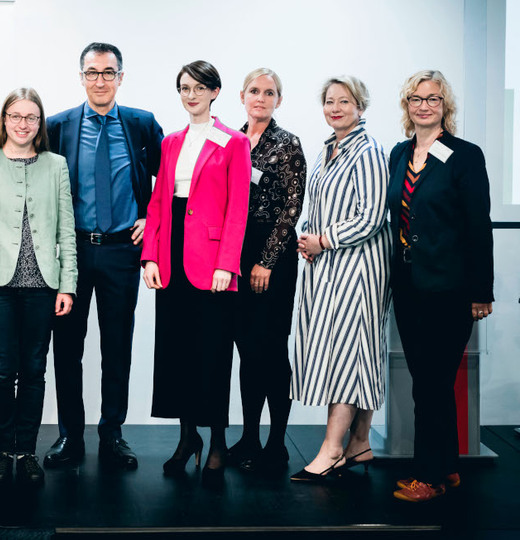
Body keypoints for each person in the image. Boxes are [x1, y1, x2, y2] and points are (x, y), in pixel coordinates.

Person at [46, 42, 163, 470]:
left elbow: (167, 181)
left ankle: (112, 433)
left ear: (120, 77)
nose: (100, 80)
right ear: (81, 78)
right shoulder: (57, 126)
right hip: (72, 252)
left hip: (121, 252)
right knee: (67, 349)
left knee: (118, 347)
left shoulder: (140, 124)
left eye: (108, 72)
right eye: (92, 73)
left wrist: (150, 218)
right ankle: (69, 437)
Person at [141, 60, 251, 487]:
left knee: (213, 355)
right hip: (170, 260)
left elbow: (237, 207)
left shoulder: (234, 142)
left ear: (215, 92)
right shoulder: (170, 142)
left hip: (212, 265)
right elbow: (157, 204)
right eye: (184, 88)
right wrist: (150, 256)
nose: (191, 95)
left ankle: (218, 442)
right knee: (178, 354)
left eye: (199, 88)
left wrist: (227, 263)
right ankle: (188, 440)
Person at [0, 88, 77, 485]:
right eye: (15, 116)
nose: (23, 124)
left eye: (31, 117)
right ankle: (3, 450)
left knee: (34, 371)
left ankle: (26, 450)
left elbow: (67, 230)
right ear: (4, 119)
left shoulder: (56, 165)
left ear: (40, 123)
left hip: (44, 284)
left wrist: (68, 285)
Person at [387, 71, 494, 502]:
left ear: (445, 106)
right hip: (408, 285)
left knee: (432, 382)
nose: (424, 106)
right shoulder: (399, 153)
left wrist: (481, 291)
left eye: (433, 99)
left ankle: (427, 477)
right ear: (407, 105)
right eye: (417, 98)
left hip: (448, 288)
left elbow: (478, 225)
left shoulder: (465, 155)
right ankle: (446, 466)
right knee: (426, 381)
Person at [290, 76, 391, 482]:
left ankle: (331, 450)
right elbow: (319, 204)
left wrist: (323, 240)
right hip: (329, 265)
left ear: (360, 107)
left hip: (359, 266)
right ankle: (360, 442)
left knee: (349, 350)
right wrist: (308, 239)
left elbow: (371, 216)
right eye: (329, 101)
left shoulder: (367, 151)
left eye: (344, 101)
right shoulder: (327, 149)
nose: (335, 108)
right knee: (358, 351)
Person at [227, 68, 306, 473]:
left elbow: (292, 209)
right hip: (235, 256)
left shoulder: (287, 144)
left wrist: (267, 261)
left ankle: (277, 442)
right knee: (246, 350)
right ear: (242, 96)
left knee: (271, 350)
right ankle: (249, 436)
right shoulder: (232, 141)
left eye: (269, 92)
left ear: (279, 99)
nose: (261, 97)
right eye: (254, 91)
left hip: (270, 257)